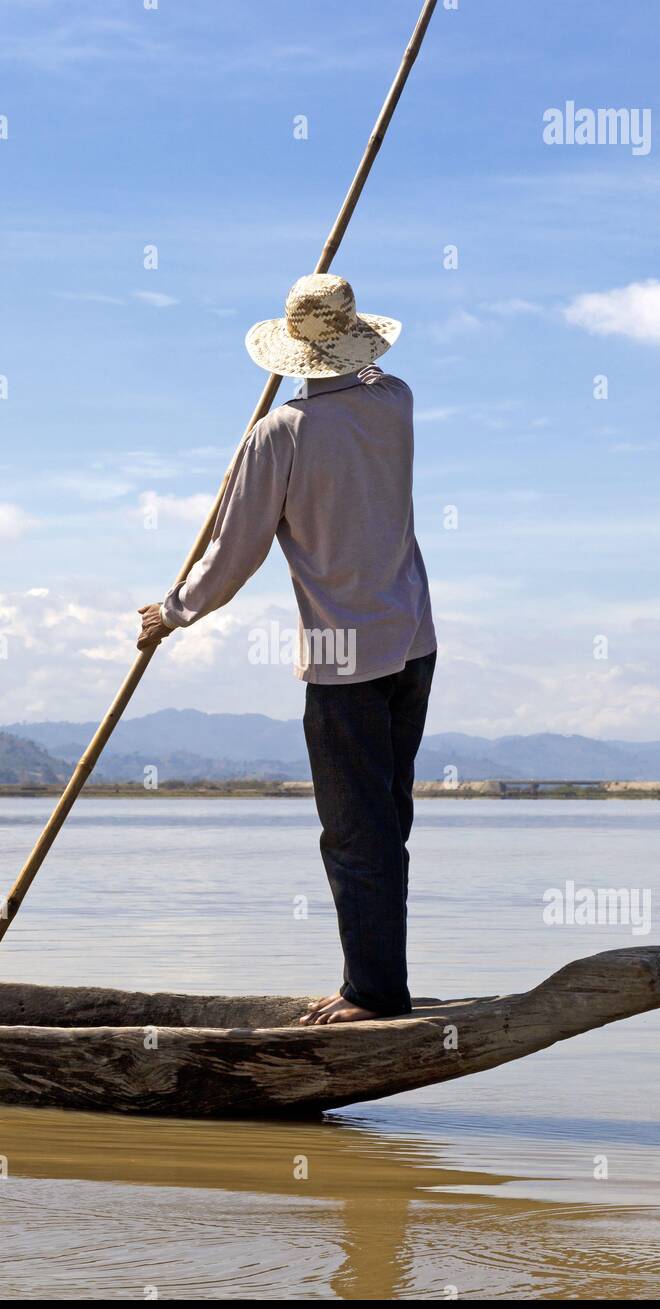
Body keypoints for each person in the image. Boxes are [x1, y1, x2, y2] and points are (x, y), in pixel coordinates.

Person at [138, 272, 437, 1024]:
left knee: (352, 830)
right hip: (413, 639)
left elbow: (235, 554)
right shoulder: (395, 402)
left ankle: (372, 995)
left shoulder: (279, 436)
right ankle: (374, 981)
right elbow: (368, 373)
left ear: (294, 352)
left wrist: (171, 613)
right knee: (384, 822)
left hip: (344, 656)